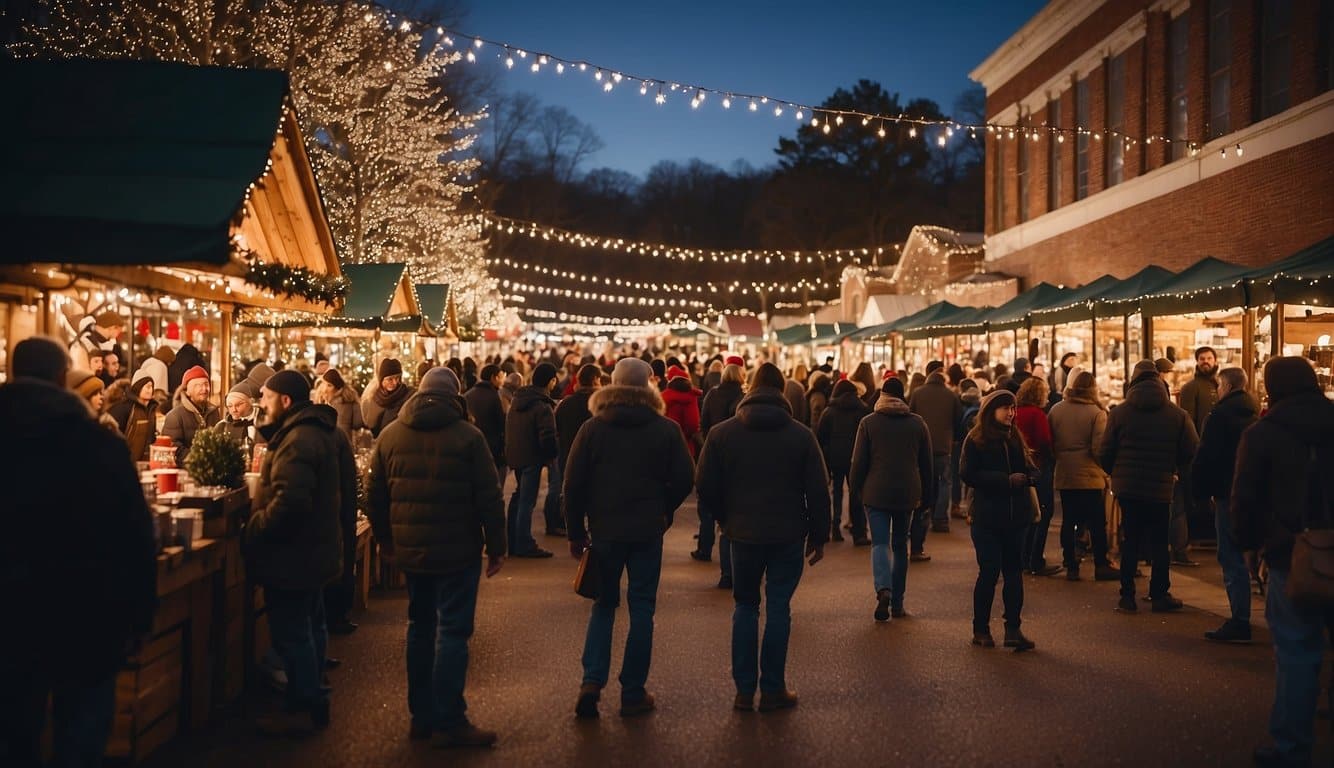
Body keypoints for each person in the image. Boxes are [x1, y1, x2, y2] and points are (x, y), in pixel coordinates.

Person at [1, 336, 156, 767]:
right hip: (87, 610)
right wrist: (142, 613)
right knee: (81, 734)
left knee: (14, 732)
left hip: (10, 612)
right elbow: (135, 531)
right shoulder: (96, 443)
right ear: (60, 378)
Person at [365, 366, 506, 747]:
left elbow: (374, 493)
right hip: (458, 550)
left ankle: (421, 716)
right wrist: (497, 546)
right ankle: (450, 718)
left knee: (420, 626)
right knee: (453, 631)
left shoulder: (392, 434)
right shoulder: (469, 437)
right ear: (455, 396)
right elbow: (489, 496)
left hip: (411, 549)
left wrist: (386, 540)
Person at [695, 363, 830, 712]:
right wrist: (819, 534)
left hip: (742, 532)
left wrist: (725, 517)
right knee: (780, 607)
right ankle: (773, 688)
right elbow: (818, 490)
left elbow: (705, 485)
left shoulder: (722, 434)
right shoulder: (801, 436)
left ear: (750, 388)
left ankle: (743, 689)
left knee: (745, 606)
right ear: (782, 391)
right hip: (787, 532)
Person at [564, 358, 694, 719]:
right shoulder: (665, 429)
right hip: (647, 528)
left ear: (612, 384)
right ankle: (633, 692)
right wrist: (664, 508)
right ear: (649, 385)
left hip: (605, 528)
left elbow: (572, 484)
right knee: (642, 608)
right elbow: (686, 476)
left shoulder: (593, 428)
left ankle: (592, 681)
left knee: (603, 605)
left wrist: (576, 530)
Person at [1232, 357, 1334, 768]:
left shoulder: (1263, 433)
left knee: (1296, 650)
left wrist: (1248, 545)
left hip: (1290, 553)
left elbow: (1245, 499)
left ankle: (1292, 747)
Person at [245, 369, 356, 735]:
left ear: (286, 401)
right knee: (311, 626)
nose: (261, 404)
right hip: (314, 550)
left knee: (293, 631)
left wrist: (257, 525)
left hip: (295, 553)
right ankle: (311, 695)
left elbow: (290, 502)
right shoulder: (315, 431)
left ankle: (305, 701)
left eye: (266, 397)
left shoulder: (297, 440)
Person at [1099, 360, 1198, 615]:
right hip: (1161, 486)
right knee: (1159, 542)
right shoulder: (1177, 415)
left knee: (1130, 540)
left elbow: (1105, 451)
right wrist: (1173, 469)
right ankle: (1159, 594)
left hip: (1128, 488)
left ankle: (1127, 597)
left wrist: (1116, 473)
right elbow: (1191, 450)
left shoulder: (1119, 413)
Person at [958, 390, 1037, 652]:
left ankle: (1013, 629)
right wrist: (1003, 481)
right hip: (988, 518)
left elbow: (1029, 464)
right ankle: (981, 629)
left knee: (1014, 574)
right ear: (992, 410)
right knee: (989, 572)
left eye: (1013, 409)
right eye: (1005, 408)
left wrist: (1031, 476)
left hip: (1017, 517)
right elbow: (968, 474)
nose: (1011, 414)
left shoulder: (1015, 437)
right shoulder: (976, 439)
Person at [849, 376, 933, 622]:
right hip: (907, 493)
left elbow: (859, 463)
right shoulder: (918, 424)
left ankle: (883, 589)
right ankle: (898, 603)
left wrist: (855, 490)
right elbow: (927, 466)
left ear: (882, 395)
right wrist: (927, 497)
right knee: (900, 546)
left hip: (875, 492)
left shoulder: (868, 423)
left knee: (880, 544)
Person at [1189, 366, 1259, 644]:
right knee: (1248, 552)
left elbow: (1206, 457)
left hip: (1225, 492)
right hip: (1252, 492)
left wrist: (1199, 492)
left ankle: (1240, 620)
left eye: (1219, 386)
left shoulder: (1218, 417)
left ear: (1227, 387)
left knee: (1230, 555)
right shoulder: (1254, 414)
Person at [1047, 372, 1116, 581]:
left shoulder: (1056, 410)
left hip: (1065, 473)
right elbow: (1098, 448)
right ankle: (1101, 564)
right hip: (1090, 475)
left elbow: (1050, 442)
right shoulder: (1097, 413)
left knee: (1069, 519)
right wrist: (1106, 471)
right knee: (1096, 521)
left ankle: (1070, 563)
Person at [692, 361, 746, 576]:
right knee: (730, 515)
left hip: (713, 451)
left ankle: (704, 547)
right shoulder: (743, 397)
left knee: (707, 506)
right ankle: (728, 571)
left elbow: (703, 423)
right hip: (736, 457)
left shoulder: (713, 395)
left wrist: (708, 443)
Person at [1170, 346, 1219, 567]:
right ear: (1197, 362)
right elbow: (1187, 421)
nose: (1205, 362)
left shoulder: (1218, 386)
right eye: (1202, 359)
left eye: (1209, 358)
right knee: (1190, 500)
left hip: (1213, 451)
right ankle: (1183, 545)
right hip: (1198, 453)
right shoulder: (1192, 388)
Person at [504, 363, 559, 557]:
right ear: (551, 380)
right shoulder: (541, 405)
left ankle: (512, 540)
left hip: (516, 455)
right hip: (531, 457)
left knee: (519, 498)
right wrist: (551, 456)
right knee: (527, 501)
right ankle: (524, 543)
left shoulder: (518, 400)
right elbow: (547, 436)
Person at [908, 368, 962, 551]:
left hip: (921, 446)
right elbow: (958, 421)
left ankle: (923, 514)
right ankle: (940, 519)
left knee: (924, 482)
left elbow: (910, 415)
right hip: (943, 446)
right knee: (945, 482)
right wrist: (954, 439)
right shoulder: (951, 395)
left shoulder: (917, 393)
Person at [1014, 378, 1061, 577]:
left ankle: (1022, 557)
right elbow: (1044, 441)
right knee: (1042, 512)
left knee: (1025, 513)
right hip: (1038, 467)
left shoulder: (1016, 412)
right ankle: (1035, 559)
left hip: (1020, 467)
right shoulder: (1037, 414)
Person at [818, 378, 871, 545]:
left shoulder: (829, 411)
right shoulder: (862, 410)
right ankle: (859, 532)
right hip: (856, 458)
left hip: (834, 457)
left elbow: (821, 437)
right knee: (856, 492)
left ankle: (834, 527)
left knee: (836, 492)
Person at [162, 365, 221, 465]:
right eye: (198, 385)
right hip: (185, 470)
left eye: (206, 384)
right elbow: (174, 447)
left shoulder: (214, 411)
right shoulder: (175, 416)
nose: (204, 389)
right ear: (187, 391)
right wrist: (199, 459)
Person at [465, 364, 509, 489]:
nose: (502, 381)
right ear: (493, 378)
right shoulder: (494, 396)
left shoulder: (468, 394)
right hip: (492, 446)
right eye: (500, 377)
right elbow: (501, 424)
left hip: (471, 444)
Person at [556, 364, 601, 471]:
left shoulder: (566, 403)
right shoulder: (600, 404)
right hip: (593, 461)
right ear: (595, 380)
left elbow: (557, 429)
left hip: (567, 458)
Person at [109, 374, 159, 461]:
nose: (150, 390)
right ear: (138, 387)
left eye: (152, 387)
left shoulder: (151, 409)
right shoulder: (124, 408)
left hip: (145, 461)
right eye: (147, 387)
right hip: (123, 460)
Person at [364, 358, 413, 438]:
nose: (395, 382)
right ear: (381, 380)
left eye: (397, 378)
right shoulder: (375, 399)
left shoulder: (408, 395)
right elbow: (371, 425)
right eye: (390, 379)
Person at [662, 365, 703, 459]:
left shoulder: (662, 397)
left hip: (665, 443)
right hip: (685, 445)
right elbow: (693, 424)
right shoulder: (691, 398)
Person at [314, 368, 364, 444]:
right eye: (324, 384)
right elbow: (357, 423)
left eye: (329, 385)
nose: (325, 389)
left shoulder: (339, 405)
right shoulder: (350, 398)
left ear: (337, 389)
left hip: (336, 447)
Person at [217, 384, 261, 462]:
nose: (234, 410)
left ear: (251, 402)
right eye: (230, 406)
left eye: (239, 405)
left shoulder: (265, 422)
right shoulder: (222, 427)